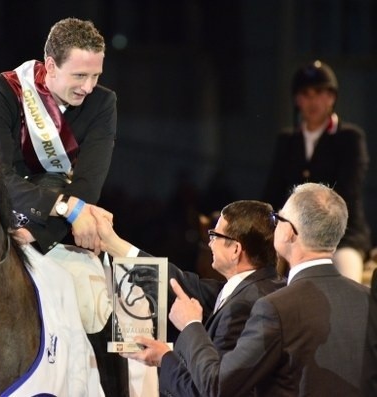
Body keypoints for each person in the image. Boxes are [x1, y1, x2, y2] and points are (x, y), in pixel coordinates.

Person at [0, 18, 126, 396]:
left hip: (58, 235)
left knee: (97, 310)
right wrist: (67, 208)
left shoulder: (103, 103)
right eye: (79, 75)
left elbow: (88, 185)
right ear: (50, 66)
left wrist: (42, 229)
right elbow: (1, 178)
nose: (89, 87)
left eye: (95, 75)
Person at [150, 183, 373, 396]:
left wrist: (191, 325)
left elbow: (218, 387)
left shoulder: (275, 307)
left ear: (289, 233)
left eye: (278, 218)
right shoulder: (367, 300)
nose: (274, 225)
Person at [94, 200, 285, 396]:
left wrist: (184, 332)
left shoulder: (249, 305)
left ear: (235, 249)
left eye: (214, 235)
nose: (209, 242)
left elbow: (210, 387)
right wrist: (112, 243)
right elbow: (176, 281)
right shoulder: (257, 288)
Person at [263, 60, 371, 283]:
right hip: (293, 238)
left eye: (319, 93)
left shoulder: (350, 138)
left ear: (331, 97)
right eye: (306, 94)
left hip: (341, 237)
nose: (312, 100)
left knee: (346, 280)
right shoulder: (287, 141)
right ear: (297, 100)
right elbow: (272, 192)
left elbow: (346, 193)